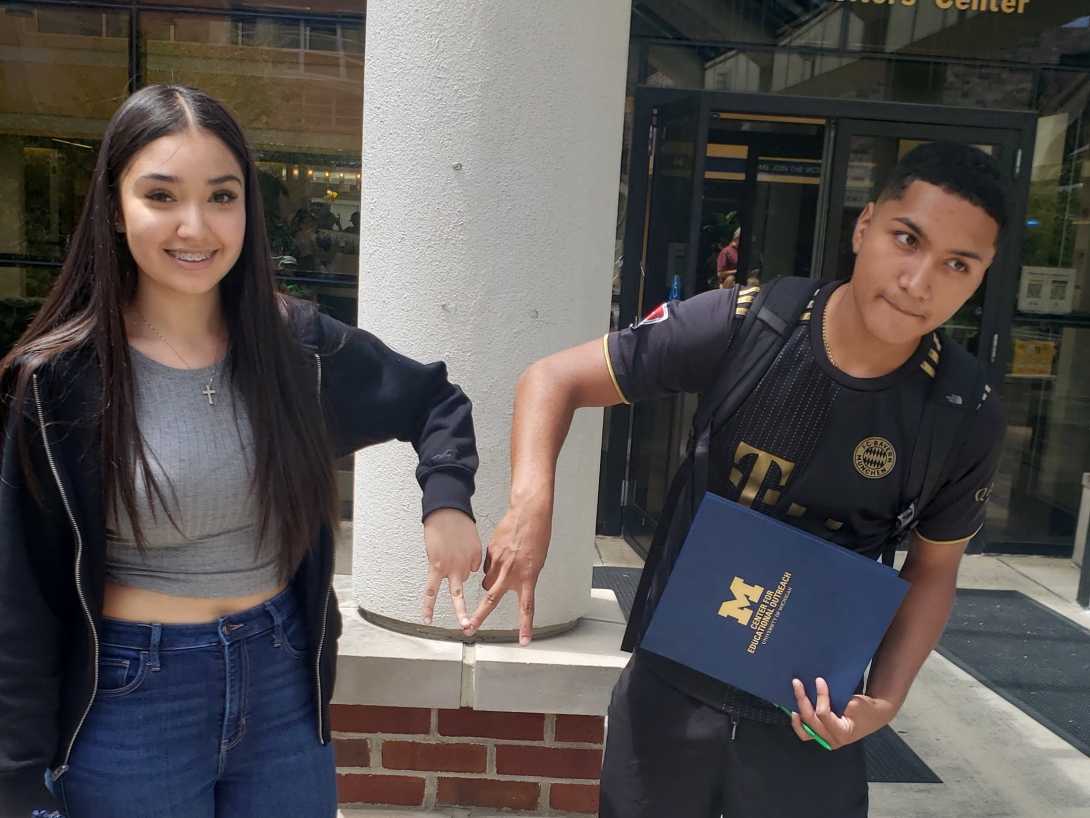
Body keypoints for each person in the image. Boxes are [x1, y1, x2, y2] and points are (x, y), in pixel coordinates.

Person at [465, 142, 1008, 817]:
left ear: (980, 277)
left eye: (958, 264)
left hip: (811, 721)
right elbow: (552, 379)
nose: (920, 280)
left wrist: (885, 701)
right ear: (864, 226)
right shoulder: (754, 323)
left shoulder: (962, 409)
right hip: (670, 693)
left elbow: (932, 570)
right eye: (907, 239)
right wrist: (530, 503)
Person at [0, 85, 482, 818]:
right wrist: (18, 785)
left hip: (281, 679)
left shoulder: (297, 348)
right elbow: (20, 603)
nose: (195, 225)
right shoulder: (58, 381)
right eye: (161, 195)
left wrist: (447, 502)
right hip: (131, 696)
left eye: (221, 196)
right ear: (112, 206)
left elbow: (432, 400)